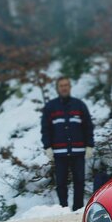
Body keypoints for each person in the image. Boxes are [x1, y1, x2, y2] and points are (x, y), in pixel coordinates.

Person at [41, 77, 94, 211]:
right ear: (57, 88)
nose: (64, 88)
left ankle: (78, 208)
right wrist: (47, 147)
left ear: (70, 87)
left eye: (66, 85)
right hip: (59, 152)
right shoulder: (50, 107)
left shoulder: (79, 105)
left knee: (79, 181)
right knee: (61, 182)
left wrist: (90, 145)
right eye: (61, 86)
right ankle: (63, 208)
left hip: (78, 150)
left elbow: (88, 126)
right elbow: (45, 128)